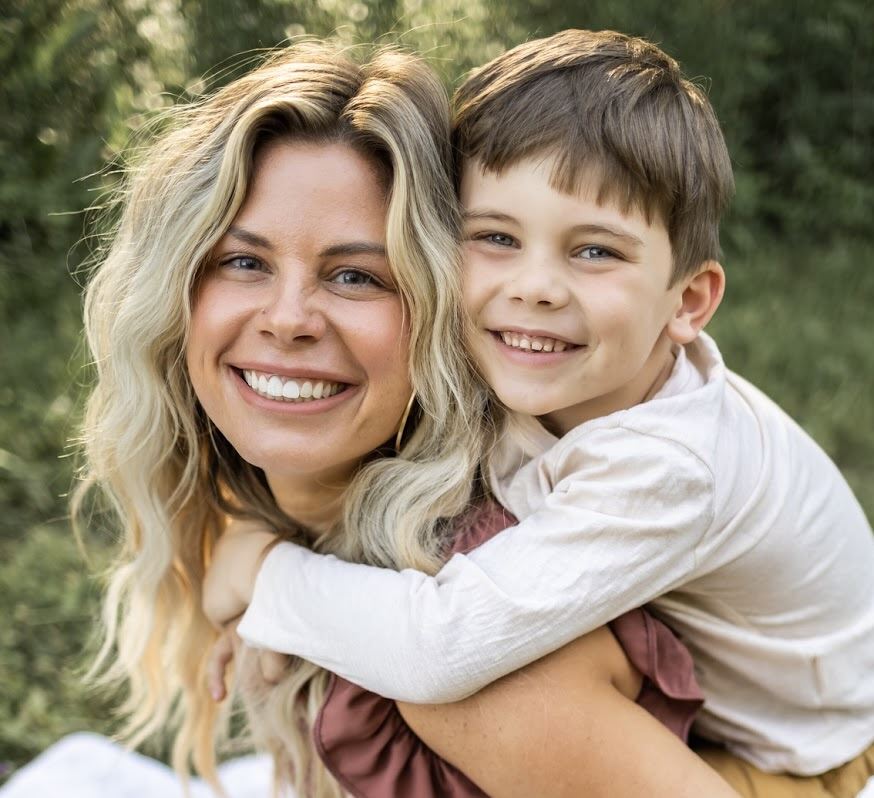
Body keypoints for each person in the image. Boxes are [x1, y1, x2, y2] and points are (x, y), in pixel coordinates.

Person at [204, 29, 874, 796]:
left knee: (475, 693)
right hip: (700, 700)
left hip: (799, 759)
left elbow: (440, 647)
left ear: (687, 301)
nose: (536, 287)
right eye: (495, 237)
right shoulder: (546, 370)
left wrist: (263, 578)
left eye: (594, 252)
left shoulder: (666, 463)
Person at [73, 38, 736, 798]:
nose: (288, 320)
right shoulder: (284, 514)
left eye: (356, 276)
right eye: (243, 261)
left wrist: (266, 581)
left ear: (443, 310)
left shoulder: (474, 631)